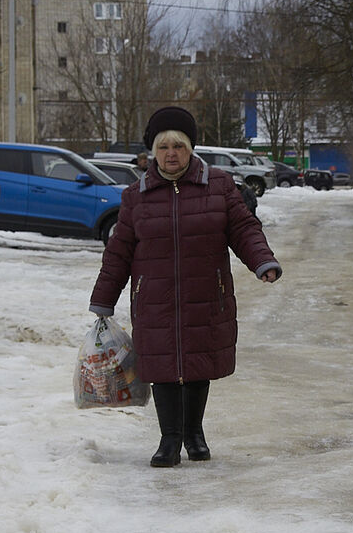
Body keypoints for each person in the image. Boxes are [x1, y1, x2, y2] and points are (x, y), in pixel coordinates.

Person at [90, 106, 281, 467]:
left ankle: (194, 434)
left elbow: (243, 229)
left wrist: (262, 262)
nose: (172, 153)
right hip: (154, 298)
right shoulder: (137, 195)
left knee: (196, 365)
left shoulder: (219, 185)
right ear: (153, 153)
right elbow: (119, 251)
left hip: (206, 293)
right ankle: (169, 440)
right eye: (164, 147)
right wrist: (104, 298)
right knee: (163, 367)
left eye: (179, 145)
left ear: (191, 148)